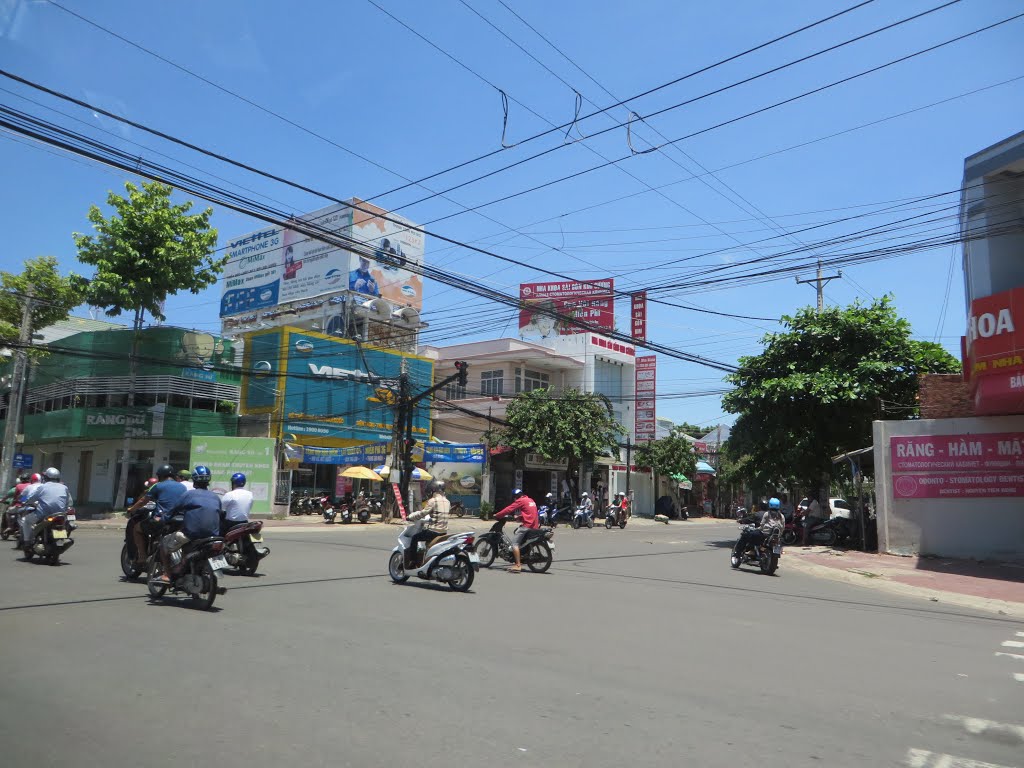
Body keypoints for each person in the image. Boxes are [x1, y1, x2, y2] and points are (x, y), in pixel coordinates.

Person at [155, 466, 222, 583]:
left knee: (163, 545)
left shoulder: (188, 495)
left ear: (194, 481)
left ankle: (168, 575)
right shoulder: (215, 497)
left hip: (192, 535)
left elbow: (172, 511)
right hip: (212, 536)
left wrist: (162, 519)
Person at [126, 465, 188, 568]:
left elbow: (143, 501)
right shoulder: (182, 487)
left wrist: (131, 509)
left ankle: (142, 556)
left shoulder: (158, 486)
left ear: (160, 476)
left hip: (162, 520)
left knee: (137, 528)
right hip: (179, 520)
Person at [19, 467, 72, 551]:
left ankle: (27, 542)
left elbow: (31, 498)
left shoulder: (43, 487)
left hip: (43, 513)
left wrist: (26, 502)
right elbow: (69, 502)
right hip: (60, 514)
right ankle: (62, 538)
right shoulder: (64, 487)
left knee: (26, 521)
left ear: (46, 477)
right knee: (63, 524)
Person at [405, 481, 450, 566]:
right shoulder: (447, 501)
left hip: (433, 532)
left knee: (415, 538)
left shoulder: (433, 501)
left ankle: (413, 561)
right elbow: (439, 515)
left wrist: (410, 517)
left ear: (433, 490)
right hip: (444, 532)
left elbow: (422, 513)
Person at [495, 488, 539, 573]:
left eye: (514, 497)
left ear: (516, 497)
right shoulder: (530, 500)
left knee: (514, 544)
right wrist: (520, 517)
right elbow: (530, 513)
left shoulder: (520, 500)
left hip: (527, 526)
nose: (514, 499)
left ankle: (518, 565)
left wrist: (498, 515)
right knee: (517, 533)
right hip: (534, 525)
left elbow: (509, 509)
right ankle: (521, 555)